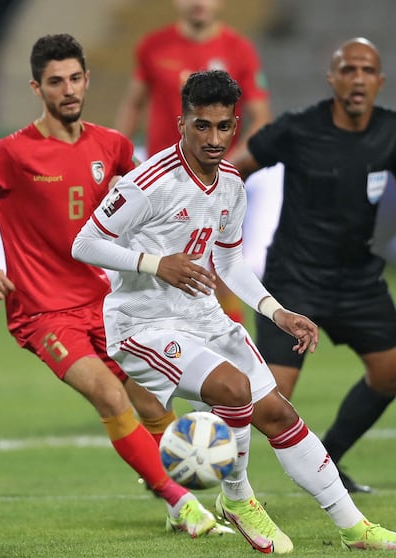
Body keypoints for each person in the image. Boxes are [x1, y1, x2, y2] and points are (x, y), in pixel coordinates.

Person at [73, 69, 396, 554]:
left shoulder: (232, 185)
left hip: (203, 318)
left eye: (222, 127)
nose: (213, 138)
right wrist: (157, 264)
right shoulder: (149, 182)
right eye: (201, 126)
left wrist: (276, 312)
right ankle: (237, 498)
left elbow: (229, 261)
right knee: (233, 390)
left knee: (278, 413)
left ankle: (355, 529)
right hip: (144, 325)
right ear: (181, 123)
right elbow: (85, 242)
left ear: (235, 126)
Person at [0, 33, 229, 538]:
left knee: (153, 401)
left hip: (106, 304)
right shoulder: (12, 153)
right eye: (54, 82)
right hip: (43, 312)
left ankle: (171, 482)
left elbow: (150, 207)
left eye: (74, 78)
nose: (67, 89)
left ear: (87, 80)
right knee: (110, 396)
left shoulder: (111, 146)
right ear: (36, 87)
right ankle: (181, 503)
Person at [232, 37, 396, 494]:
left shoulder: (391, 131)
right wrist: (214, 216)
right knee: (270, 400)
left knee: (390, 374)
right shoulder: (299, 128)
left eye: (366, 71)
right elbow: (236, 167)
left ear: (380, 81)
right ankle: (215, 465)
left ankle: (330, 458)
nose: (357, 78)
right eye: (348, 70)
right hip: (295, 278)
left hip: (357, 278)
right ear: (332, 79)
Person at [114, 0, 272, 323]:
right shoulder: (153, 46)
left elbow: (261, 119)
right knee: (150, 276)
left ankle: (232, 347)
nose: (199, 2)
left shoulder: (239, 50)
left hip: (212, 182)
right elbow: (133, 104)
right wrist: (117, 159)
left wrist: (229, 166)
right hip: (161, 184)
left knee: (220, 269)